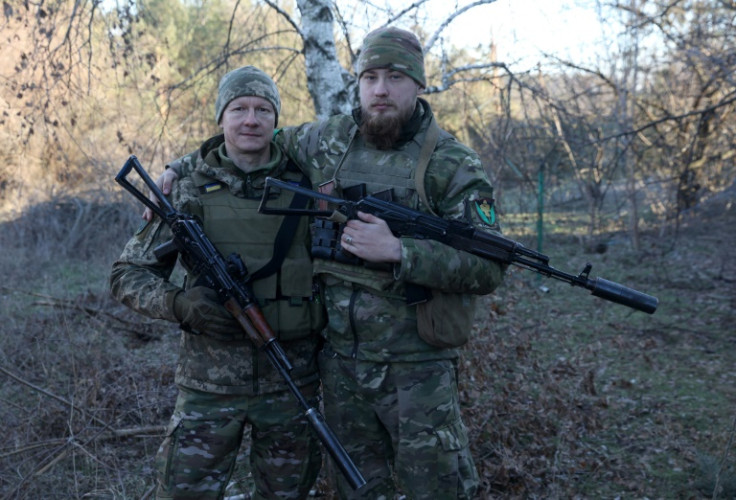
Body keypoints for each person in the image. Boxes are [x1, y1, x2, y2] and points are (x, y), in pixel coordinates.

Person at [159, 27, 506, 499]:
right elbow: (252, 134)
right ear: (358, 84)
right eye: (371, 77)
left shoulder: (453, 163)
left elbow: (489, 266)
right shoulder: (330, 140)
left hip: (417, 370)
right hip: (340, 368)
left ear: (418, 85)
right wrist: (180, 166)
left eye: (395, 77)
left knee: (438, 488)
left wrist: (401, 252)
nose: (381, 89)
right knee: (356, 491)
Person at [110, 66, 326, 500]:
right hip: (208, 387)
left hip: (291, 384)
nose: (251, 119)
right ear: (221, 118)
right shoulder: (186, 192)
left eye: (263, 109)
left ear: (276, 119)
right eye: (239, 108)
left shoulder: (309, 189)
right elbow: (126, 274)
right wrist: (179, 304)